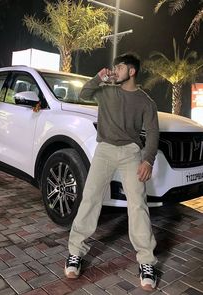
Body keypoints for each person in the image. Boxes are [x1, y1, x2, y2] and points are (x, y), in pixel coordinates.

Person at [64, 53, 159, 291]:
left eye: (120, 67)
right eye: (114, 66)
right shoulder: (106, 90)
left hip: (130, 153)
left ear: (132, 71)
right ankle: (75, 253)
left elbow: (153, 133)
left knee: (137, 204)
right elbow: (83, 94)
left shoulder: (146, 102)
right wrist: (98, 77)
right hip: (105, 149)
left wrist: (147, 160)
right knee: (91, 198)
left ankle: (146, 261)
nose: (115, 70)